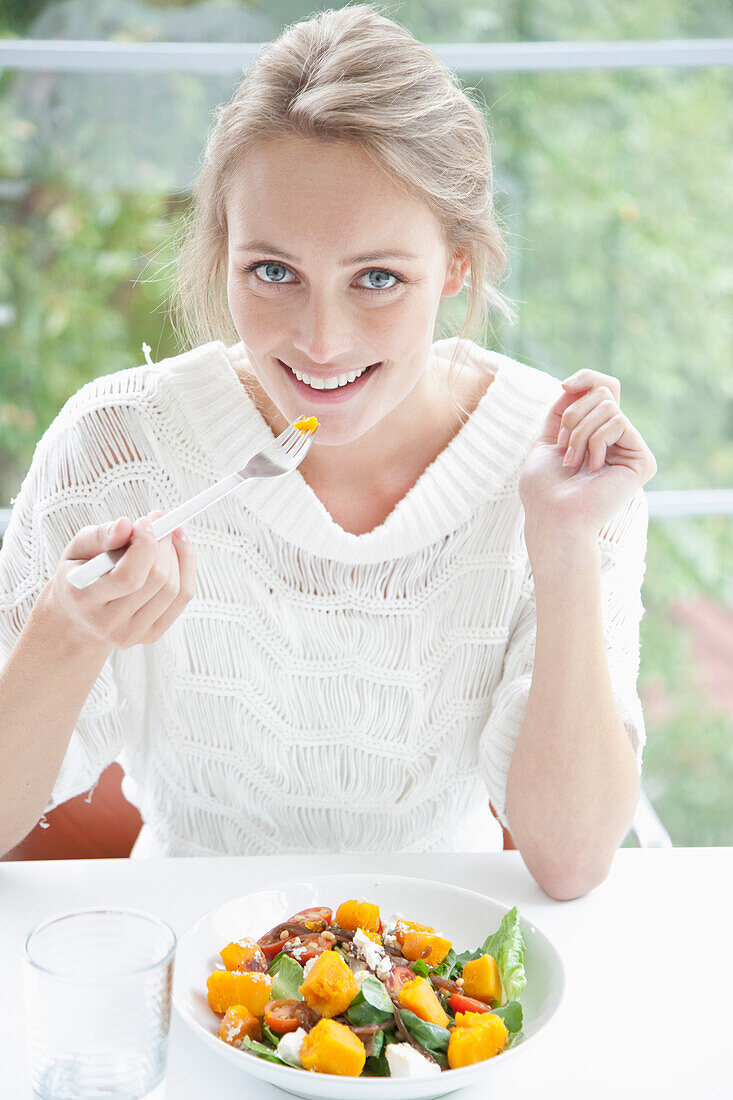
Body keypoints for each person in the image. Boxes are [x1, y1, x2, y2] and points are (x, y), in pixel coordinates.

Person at [0, 4, 656, 897]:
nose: (320, 341)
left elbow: (571, 862)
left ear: (457, 266)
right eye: (273, 272)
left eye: (377, 278)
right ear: (224, 252)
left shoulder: (558, 465)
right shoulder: (115, 445)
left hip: (439, 981)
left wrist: (563, 545)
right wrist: (67, 632)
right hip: (189, 964)